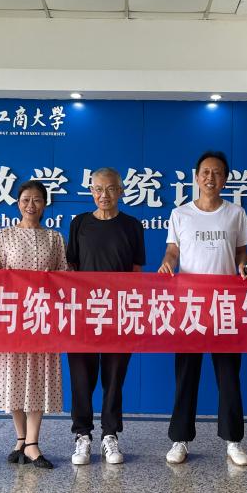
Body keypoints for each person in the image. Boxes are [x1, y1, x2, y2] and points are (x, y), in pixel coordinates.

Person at [158, 151, 247, 467]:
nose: (210, 178)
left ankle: (233, 440)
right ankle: (180, 439)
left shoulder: (235, 213)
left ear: (225, 179)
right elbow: (173, 250)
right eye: (205, 172)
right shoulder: (180, 213)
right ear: (196, 177)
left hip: (226, 306)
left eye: (217, 172)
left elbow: (242, 252)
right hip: (190, 306)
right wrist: (167, 263)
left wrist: (243, 266)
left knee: (228, 375)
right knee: (186, 375)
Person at [0, 180, 68, 469]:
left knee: (37, 376)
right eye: (26, 200)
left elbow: (64, 275)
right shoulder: (3, 235)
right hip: (11, 317)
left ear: (45, 204)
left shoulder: (55, 238)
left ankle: (33, 443)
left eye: (37, 200)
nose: (31, 205)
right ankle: (20, 439)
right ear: (18, 203)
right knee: (14, 376)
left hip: (41, 317)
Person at [66, 167, 146, 466]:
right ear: (91, 191)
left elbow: (136, 272)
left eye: (111, 188)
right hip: (83, 314)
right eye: (98, 189)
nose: (104, 195)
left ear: (121, 191)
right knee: (81, 377)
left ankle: (110, 434)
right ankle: (82, 435)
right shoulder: (79, 223)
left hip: (119, 313)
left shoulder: (132, 225)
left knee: (114, 378)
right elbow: (71, 268)